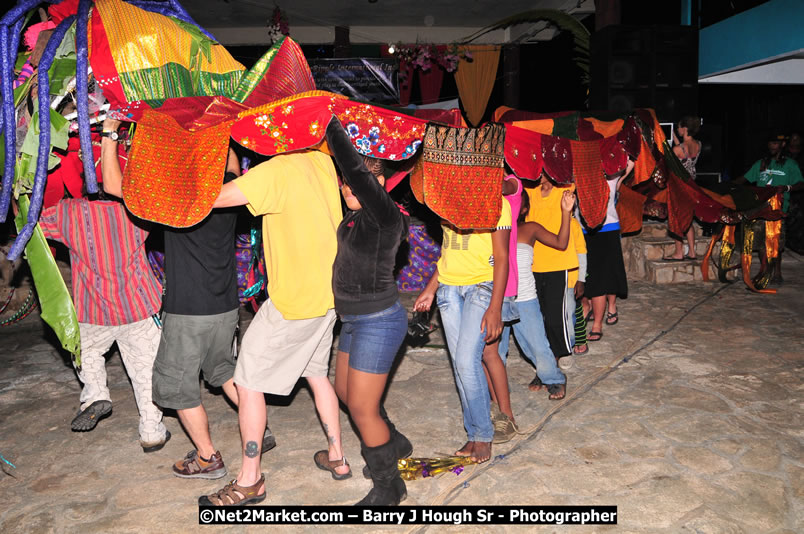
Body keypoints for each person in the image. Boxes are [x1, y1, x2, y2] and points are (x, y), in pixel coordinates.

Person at [100, 120, 275, 481]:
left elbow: (112, 185)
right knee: (224, 370)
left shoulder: (176, 195)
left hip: (188, 312)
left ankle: (208, 457)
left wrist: (110, 132)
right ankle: (257, 426)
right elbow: (230, 163)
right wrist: (220, 129)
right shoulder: (227, 189)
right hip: (227, 307)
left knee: (176, 388)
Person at [199, 139, 347, 506]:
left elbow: (211, 198)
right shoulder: (322, 161)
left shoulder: (275, 171)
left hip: (293, 304)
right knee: (316, 374)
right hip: (330, 296)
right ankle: (338, 458)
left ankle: (250, 481)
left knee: (248, 382)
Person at [36, 121, 168, 453]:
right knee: (145, 372)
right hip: (138, 307)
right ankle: (151, 430)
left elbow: (33, 226)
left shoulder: (69, 213)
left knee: (84, 351)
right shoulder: (136, 211)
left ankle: (95, 394)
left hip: (93, 312)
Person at [324, 120, 410, 505]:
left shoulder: (384, 215)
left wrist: (332, 126)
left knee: (360, 406)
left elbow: (358, 173)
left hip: (378, 319)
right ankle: (393, 441)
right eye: (343, 182)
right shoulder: (356, 218)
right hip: (354, 319)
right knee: (345, 393)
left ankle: (389, 485)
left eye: (354, 182)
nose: (347, 186)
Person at [414, 187, 511, 464]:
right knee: (460, 365)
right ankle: (474, 432)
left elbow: (502, 257)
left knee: (468, 362)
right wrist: (431, 289)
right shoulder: (444, 197)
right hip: (448, 290)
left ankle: (483, 435)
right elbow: (448, 251)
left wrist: (495, 307)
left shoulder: (495, 201)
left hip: (481, 287)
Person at [498, 187, 574, 402]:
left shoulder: (529, 228)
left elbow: (561, 243)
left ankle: (553, 377)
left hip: (524, 298)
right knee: (496, 351)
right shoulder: (491, 229)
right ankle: (497, 388)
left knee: (538, 346)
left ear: (523, 209)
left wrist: (566, 212)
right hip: (496, 298)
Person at [524, 175, 578, 371]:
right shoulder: (530, 192)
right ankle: (546, 352)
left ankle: (564, 351)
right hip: (533, 263)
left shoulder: (564, 189)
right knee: (540, 314)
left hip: (558, 261)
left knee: (557, 312)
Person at [735, 132, 804, 284]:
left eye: (775, 143)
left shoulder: (790, 164)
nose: (772, 146)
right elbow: (745, 178)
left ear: (782, 145)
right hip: (760, 208)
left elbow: (800, 183)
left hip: (778, 209)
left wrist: (786, 187)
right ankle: (765, 270)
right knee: (760, 243)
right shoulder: (761, 163)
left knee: (775, 242)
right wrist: (729, 186)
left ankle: (777, 273)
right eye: (770, 143)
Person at [583, 160, 633, 341]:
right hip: (582, 229)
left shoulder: (610, 175)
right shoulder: (579, 174)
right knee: (585, 273)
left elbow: (630, 158)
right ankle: (588, 306)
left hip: (608, 228)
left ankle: (600, 320)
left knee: (606, 273)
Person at [664, 116, 702, 261]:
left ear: (685, 128)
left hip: (679, 187)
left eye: (679, 127)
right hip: (692, 185)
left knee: (677, 218)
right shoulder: (698, 144)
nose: (678, 129)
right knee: (688, 219)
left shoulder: (677, 149)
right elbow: (685, 152)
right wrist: (675, 137)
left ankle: (679, 252)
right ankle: (692, 251)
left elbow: (671, 163)